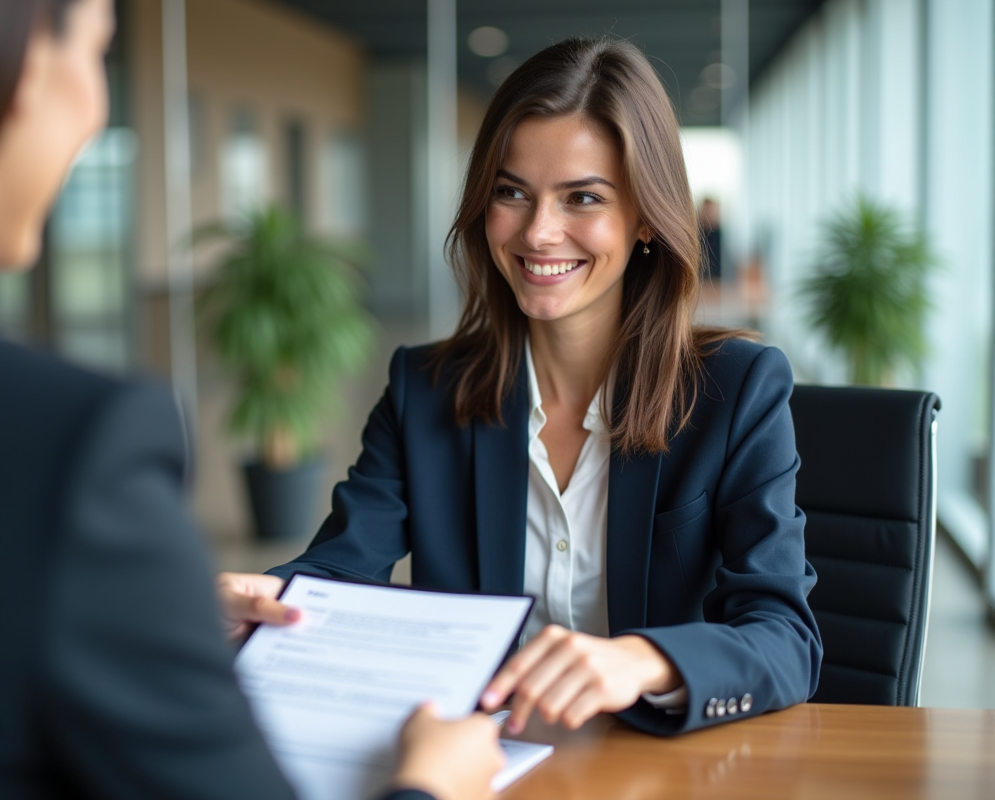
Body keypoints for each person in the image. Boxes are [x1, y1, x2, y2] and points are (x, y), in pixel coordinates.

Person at [0, 2, 504, 799]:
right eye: (98, 54)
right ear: (28, 67)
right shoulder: (56, 442)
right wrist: (432, 786)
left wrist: (156, 611)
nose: (99, 112)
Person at [220, 37, 822, 737]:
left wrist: (644, 661)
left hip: (657, 762)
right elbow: (341, 570)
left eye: (582, 198)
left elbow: (785, 637)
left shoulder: (736, 390)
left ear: (646, 218)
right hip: (478, 761)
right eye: (512, 193)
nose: (538, 233)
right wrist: (270, 597)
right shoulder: (425, 390)